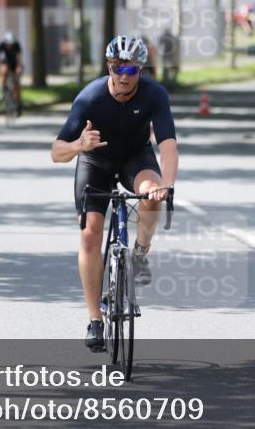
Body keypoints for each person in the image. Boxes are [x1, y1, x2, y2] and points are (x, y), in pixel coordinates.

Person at [51, 35, 178, 352]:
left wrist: (167, 185)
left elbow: (168, 147)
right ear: (108, 67)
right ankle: (95, 319)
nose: (124, 75)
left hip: (136, 159)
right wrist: (81, 145)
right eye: (117, 68)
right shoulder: (90, 98)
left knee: (152, 194)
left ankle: (140, 251)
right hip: (96, 162)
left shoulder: (154, 95)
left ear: (140, 71)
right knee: (91, 234)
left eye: (131, 70)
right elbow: (56, 152)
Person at [0, 32, 23, 115]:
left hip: (14, 63)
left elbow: (19, 59)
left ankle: (18, 102)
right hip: (6, 63)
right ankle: (3, 91)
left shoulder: (16, 46)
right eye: (8, 44)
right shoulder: (1, 46)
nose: (9, 46)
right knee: (4, 71)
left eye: (11, 44)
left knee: (16, 82)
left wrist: (18, 68)